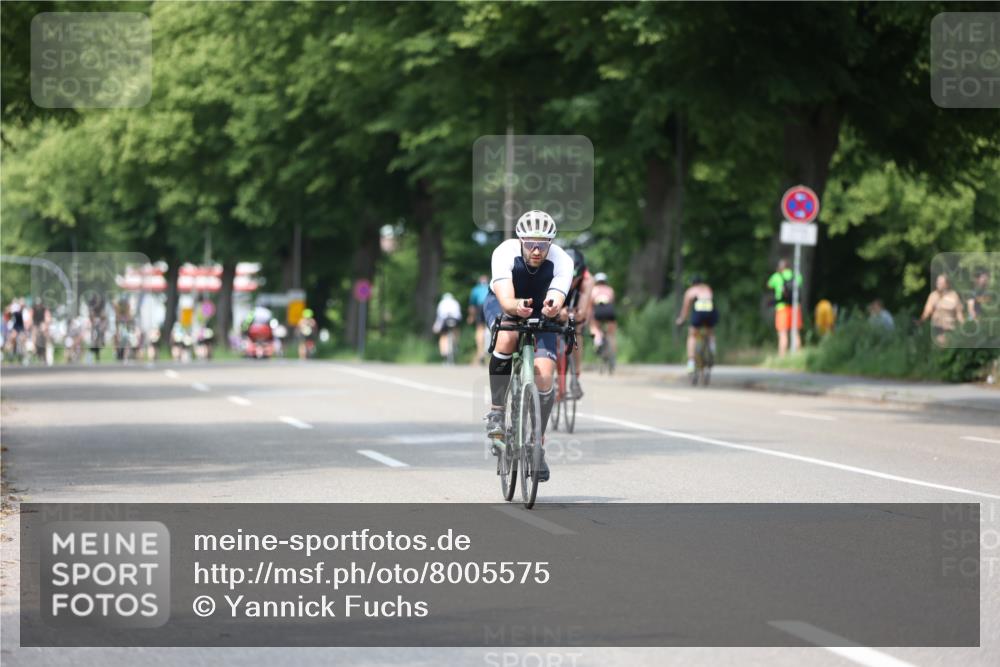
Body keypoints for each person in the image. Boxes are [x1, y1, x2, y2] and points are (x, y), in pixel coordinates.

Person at [483, 210, 572, 482]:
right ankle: (497, 411)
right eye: (531, 243)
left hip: (541, 310)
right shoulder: (504, 252)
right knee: (507, 337)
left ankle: (536, 444)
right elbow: (506, 299)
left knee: (545, 375)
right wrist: (515, 306)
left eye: (543, 245)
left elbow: (557, 296)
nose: (536, 250)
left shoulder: (562, 260)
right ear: (520, 240)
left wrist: (553, 307)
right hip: (505, 302)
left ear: (551, 243)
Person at [558, 248, 593, 399]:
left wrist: (576, 314)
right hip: (557, 293)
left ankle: (575, 377)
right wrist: (558, 313)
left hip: (575, 301)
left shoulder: (587, 279)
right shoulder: (554, 271)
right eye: (569, 279)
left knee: (577, 329)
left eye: (574, 279)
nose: (571, 283)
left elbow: (582, 311)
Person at [675, 275, 718, 373]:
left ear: (692, 284)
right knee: (710, 332)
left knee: (692, 335)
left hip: (699, 312)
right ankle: (712, 348)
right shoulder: (707, 288)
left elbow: (686, 308)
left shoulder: (691, 291)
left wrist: (681, 319)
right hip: (711, 311)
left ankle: (691, 362)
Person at [766, 258, 803, 356]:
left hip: (782, 308)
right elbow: (800, 283)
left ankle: (782, 357)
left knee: (783, 333)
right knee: (795, 332)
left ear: (780, 267)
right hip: (795, 307)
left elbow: (769, 285)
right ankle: (798, 356)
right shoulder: (796, 275)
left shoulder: (777, 276)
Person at [920, 273, 964, 346]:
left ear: (947, 284)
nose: (938, 284)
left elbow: (959, 312)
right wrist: (921, 321)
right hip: (937, 329)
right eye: (937, 282)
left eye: (941, 283)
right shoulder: (933, 295)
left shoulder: (954, 295)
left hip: (950, 329)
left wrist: (963, 325)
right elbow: (927, 311)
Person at [588, 272, 617, 361]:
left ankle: (598, 342)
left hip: (598, 309)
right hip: (609, 310)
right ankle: (612, 353)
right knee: (611, 333)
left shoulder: (594, 290)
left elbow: (590, 305)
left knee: (594, 327)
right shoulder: (610, 290)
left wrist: (590, 317)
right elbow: (612, 302)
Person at [432, 292, 462, 363]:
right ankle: (456, 344)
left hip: (445, 320)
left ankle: (444, 353)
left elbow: (439, 317)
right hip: (455, 319)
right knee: (456, 331)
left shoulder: (441, 303)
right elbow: (459, 315)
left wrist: (436, 326)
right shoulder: (455, 302)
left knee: (443, 335)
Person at [467, 275, 490, 365]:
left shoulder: (475, 289)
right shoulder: (491, 287)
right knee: (492, 328)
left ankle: (480, 353)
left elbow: (472, 306)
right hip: (490, 306)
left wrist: (471, 316)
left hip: (480, 307)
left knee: (480, 329)